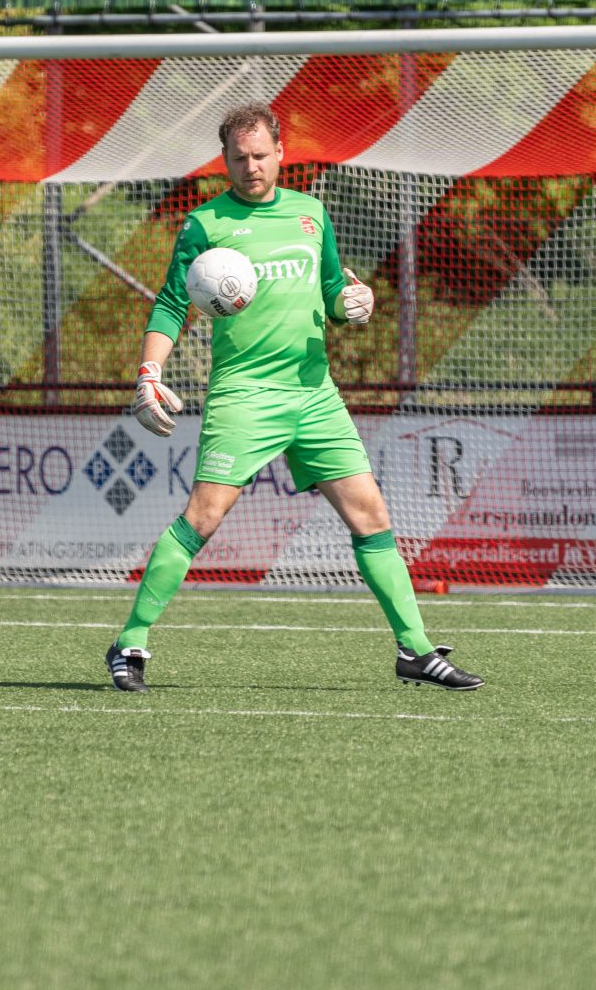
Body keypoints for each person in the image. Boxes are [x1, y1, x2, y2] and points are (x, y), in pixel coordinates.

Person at [104, 102, 484, 693]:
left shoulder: (311, 214)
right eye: (239, 158)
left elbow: (334, 286)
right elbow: (172, 303)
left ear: (281, 153)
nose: (251, 167)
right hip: (244, 395)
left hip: (314, 395)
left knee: (372, 516)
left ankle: (414, 650)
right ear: (224, 161)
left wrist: (352, 302)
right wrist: (149, 371)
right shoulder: (205, 225)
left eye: (260, 156)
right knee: (202, 520)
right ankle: (130, 643)